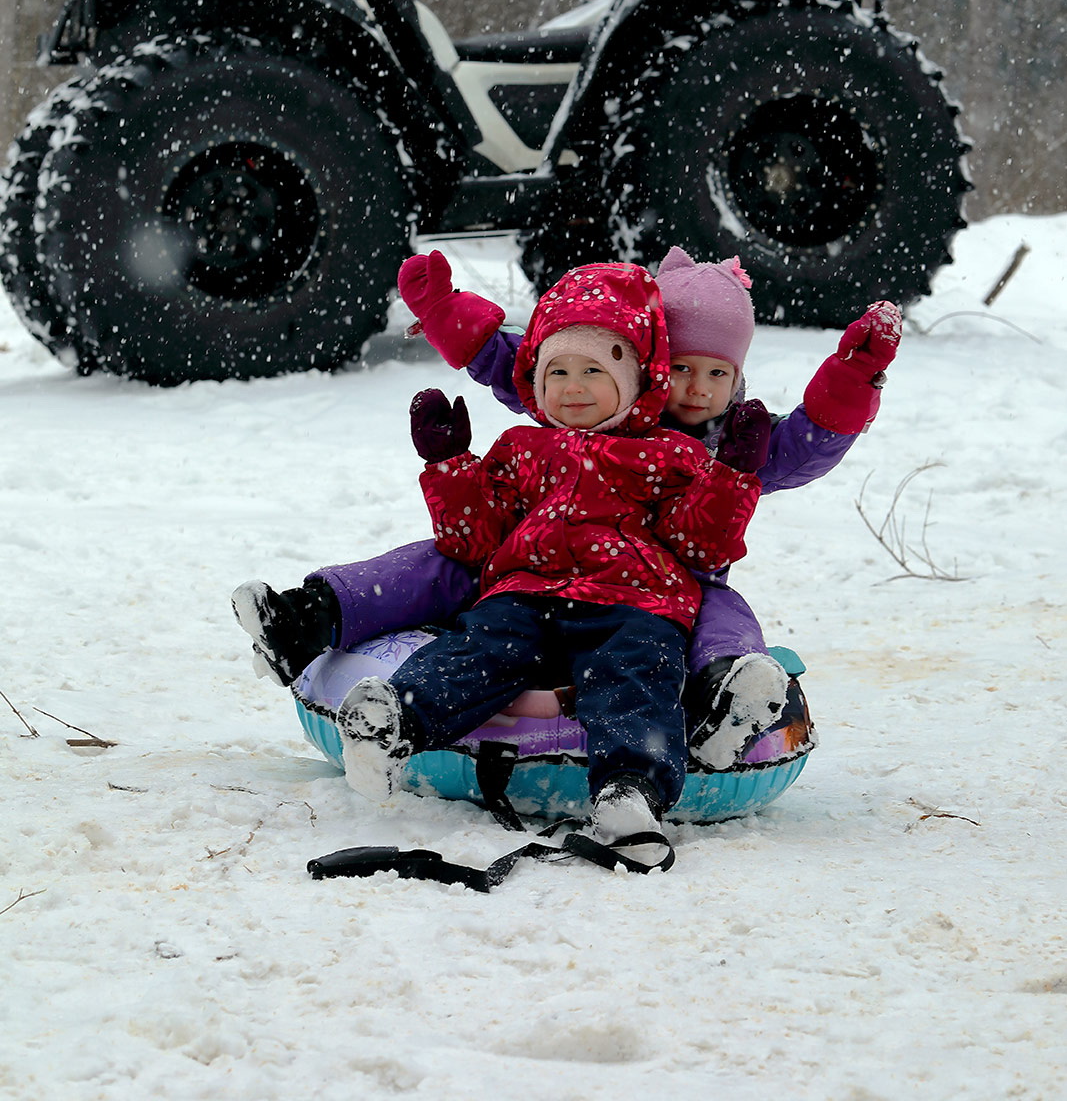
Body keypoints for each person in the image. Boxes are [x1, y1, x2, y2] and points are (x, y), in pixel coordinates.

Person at [233, 248, 901, 767]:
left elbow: (807, 444)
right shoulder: (601, 394)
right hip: (539, 563)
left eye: (717, 374)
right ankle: (307, 621)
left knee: (720, 613)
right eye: (684, 370)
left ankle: (726, 695)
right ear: (654, 360)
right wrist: (443, 313)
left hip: (666, 587)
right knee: (439, 564)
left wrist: (851, 377)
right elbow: (518, 363)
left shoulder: (734, 438)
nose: (696, 391)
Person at [332, 261, 770, 860]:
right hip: (525, 593)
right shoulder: (520, 447)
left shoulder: (670, 454)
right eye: (556, 370)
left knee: (635, 677)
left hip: (635, 602)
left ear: (640, 378)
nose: (573, 386)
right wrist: (450, 464)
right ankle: (393, 724)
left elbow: (700, 546)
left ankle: (628, 793)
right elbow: (474, 536)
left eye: (595, 370)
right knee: (476, 650)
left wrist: (729, 476)